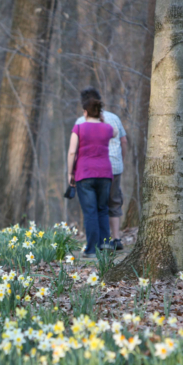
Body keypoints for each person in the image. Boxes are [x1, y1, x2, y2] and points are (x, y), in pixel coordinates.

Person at [75, 87, 128, 250]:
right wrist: (121, 160)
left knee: (94, 207)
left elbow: (76, 148)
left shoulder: (81, 122)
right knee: (113, 202)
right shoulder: (114, 118)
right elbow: (123, 141)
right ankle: (116, 238)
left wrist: (74, 170)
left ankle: (95, 243)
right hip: (114, 166)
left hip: (91, 169)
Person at [68, 98, 118, 258]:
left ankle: (91, 250)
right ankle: (104, 245)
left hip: (85, 173)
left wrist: (70, 173)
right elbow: (115, 132)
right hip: (105, 174)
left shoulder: (79, 128)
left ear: (85, 112)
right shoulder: (107, 128)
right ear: (99, 112)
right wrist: (102, 121)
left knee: (90, 212)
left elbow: (71, 152)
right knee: (103, 209)